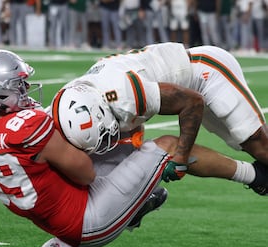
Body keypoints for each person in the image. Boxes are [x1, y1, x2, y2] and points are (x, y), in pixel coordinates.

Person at [0, 49, 204, 247]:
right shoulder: (27, 126)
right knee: (167, 144)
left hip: (56, 220)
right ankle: (242, 173)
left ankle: (134, 204)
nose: (26, 89)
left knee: (115, 150)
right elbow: (86, 173)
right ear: (0, 95)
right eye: (19, 85)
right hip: (88, 221)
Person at [50, 42, 268, 196]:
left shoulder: (125, 95)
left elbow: (192, 102)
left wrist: (182, 156)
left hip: (204, 73)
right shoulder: (66, 104)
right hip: (175, 92)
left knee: (260, 147)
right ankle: (258, 178)